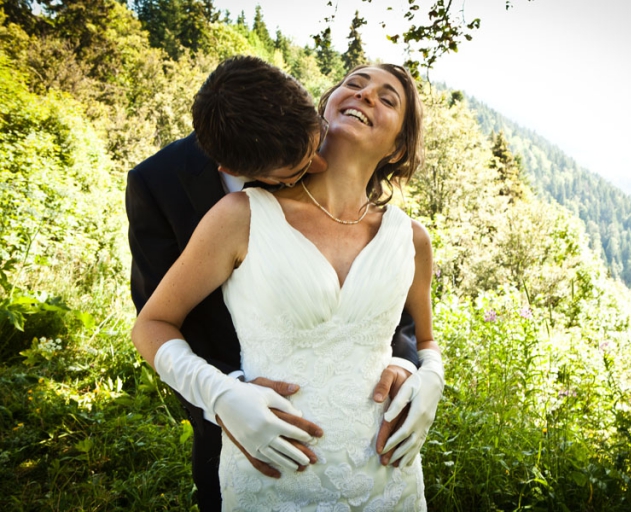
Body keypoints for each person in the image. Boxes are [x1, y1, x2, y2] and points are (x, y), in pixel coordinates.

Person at [125, 56, 437, 510]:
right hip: (259, 454)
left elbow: (412, 327)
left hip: (385, 476)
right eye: (355, 83)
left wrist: (425, 374)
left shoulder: (408, 236)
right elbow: (155, 317)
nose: (366, 95)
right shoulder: (224, 206)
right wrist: (223, 395)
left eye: (387, 98)